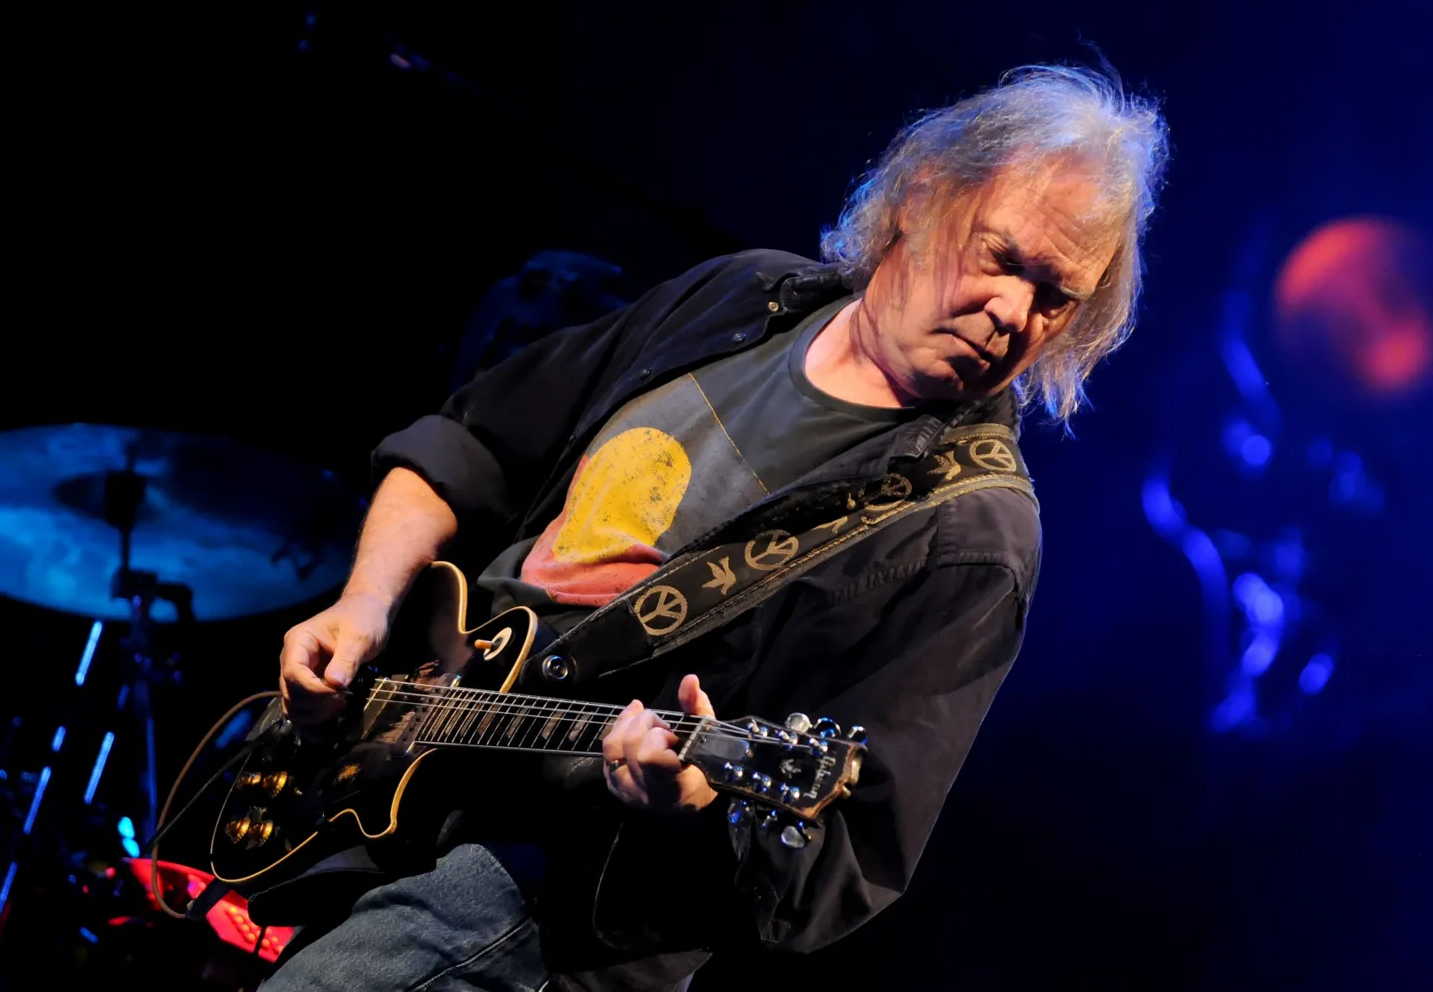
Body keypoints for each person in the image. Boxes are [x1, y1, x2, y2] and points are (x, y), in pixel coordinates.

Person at [264, 65, 1168, 992]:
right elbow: (474, 441)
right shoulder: (745, 298)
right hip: (391, 778)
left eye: (1056, 297)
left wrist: (690, 804)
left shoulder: (972, 535)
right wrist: (366, 606)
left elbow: (846, 864)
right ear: (922, 199)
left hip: (541, 901)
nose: (1016, 314)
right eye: (1003, 258)